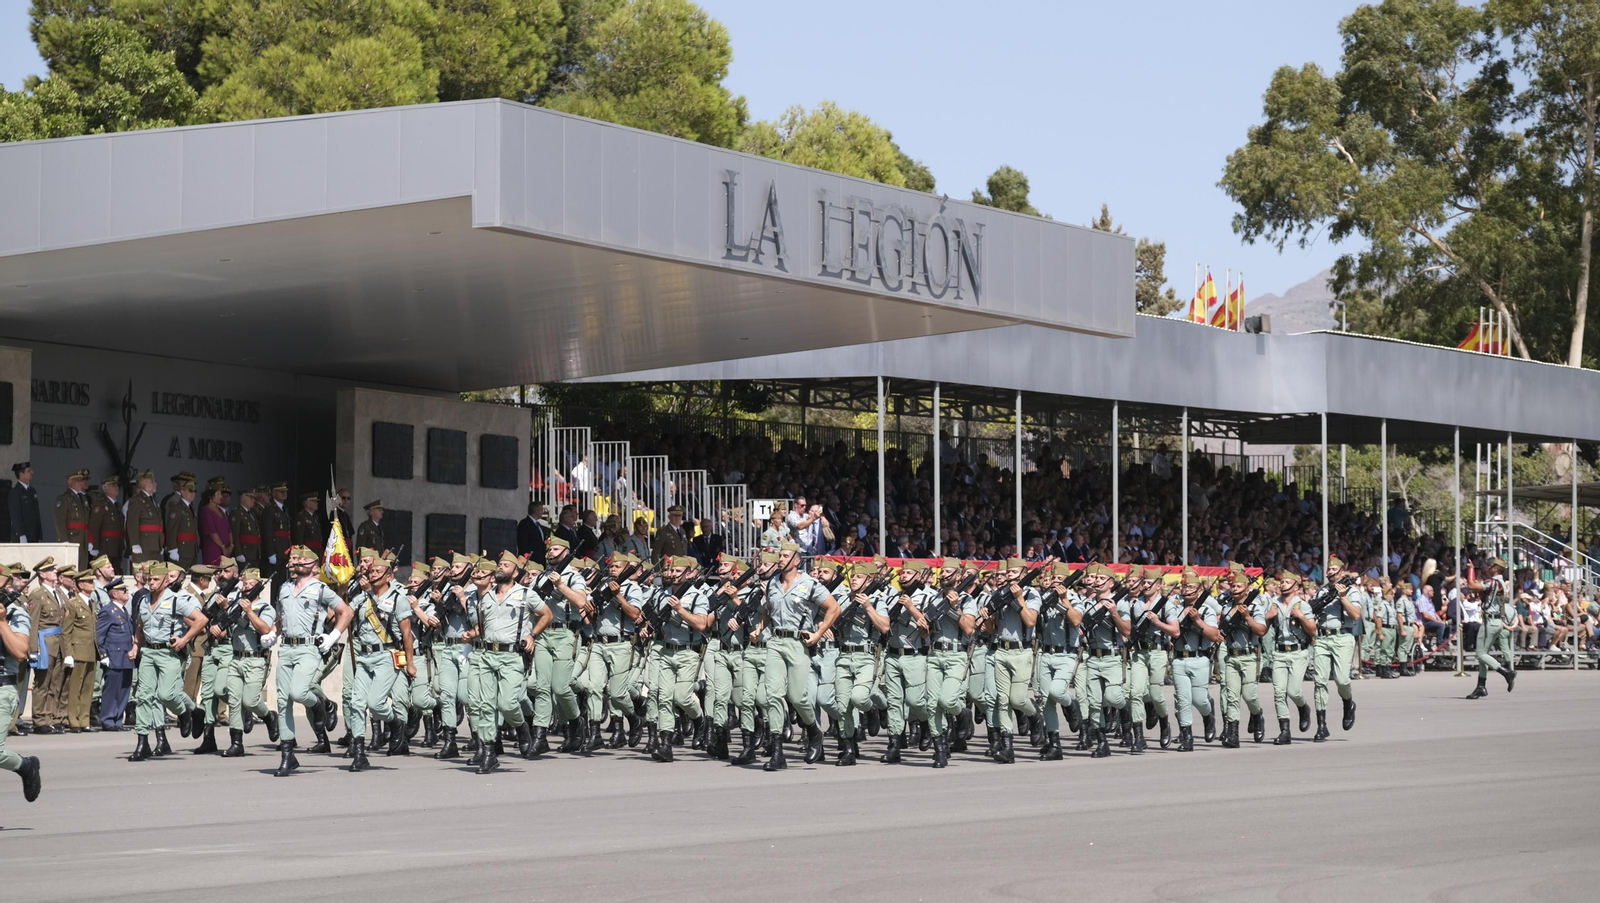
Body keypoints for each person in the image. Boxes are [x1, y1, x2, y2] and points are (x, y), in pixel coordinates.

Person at [272, 545, 352, 775]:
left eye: (303, 561)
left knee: (298, 692)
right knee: (282, 701)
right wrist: (272, 633)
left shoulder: (320, 589)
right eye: (297, 561)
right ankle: (287, 755)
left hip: (308, 648)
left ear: (314, 567)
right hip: (286, 647)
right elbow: (281, 617)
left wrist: (334, 635)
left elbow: (346, 612)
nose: (298, 563)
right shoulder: (285, 588)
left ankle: (320, 705)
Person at [758, 542, 838, 770]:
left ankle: (813, 730)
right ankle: (777, 753)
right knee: (772, 695)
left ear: (796, 560)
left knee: (797, 696)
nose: (780, 559)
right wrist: (760, 627)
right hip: (775, 642)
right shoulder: (773, 583)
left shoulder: (810, 584)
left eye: (785, 556)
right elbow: (770, 610)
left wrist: (818, 633)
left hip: (798, 643)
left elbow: (834, 608)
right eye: (780, 555)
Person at [466, 552, 548, 774]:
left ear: (516, 572)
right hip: (487, 655)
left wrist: (532, 635)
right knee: (485, 705)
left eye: (506, 565)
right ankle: (489, 753)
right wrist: (470, 634)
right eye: (500, 564)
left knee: (508, 703)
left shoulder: (526, 594)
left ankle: (521, 727)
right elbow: (483, 625)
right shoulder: (486, 597)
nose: (501, 567)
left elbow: (546, 615)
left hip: (511, 656)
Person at [128, 562, 207, 761]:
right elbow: (140, 625)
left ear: (165, 581)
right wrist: (136, 645)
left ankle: (185, 712)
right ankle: (142, 742)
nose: (151, 583)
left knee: (167, 694)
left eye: (156, 579)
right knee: (143, 696)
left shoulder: (175, 600)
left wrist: (185, 639)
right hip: (148, 652)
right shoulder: (143, 600)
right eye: (149, 579)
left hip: (168, 653)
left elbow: (201, 620)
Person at [344, 555, 416, 769]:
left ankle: (395, 723)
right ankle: (359, 753)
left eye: (377, 572)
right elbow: (345, 613)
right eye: (371, 571)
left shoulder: (398, 599)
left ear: (389, 576)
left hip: (387, 655)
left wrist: (410, 662)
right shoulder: (361, 598)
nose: (373, 574)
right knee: (357, 704)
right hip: (364, 656)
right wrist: (340, 591)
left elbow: (406, 634)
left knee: (375, 704)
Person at [643, 556, 712, 763]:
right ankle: (666, 745)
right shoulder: (662, 594)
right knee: (664, 698)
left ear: (689, 573)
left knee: (681, 697)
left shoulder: (697, 596)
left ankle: (699, 720)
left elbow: (702, 624)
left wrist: (680, 610)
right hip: (666, 651)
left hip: (688, 652)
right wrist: (647, 627)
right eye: (671, 571)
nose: (673, 574)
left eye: (678, 571)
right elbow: (652, 617)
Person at [528, 537, 591, 754]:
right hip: (543, 634)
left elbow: (581, 602)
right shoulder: (540, 577)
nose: (551, 552)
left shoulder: (574, 577)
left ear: (566, 552)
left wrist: (560, 585)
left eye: (556, 549)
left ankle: (575, 722)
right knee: (542, 686)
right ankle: (540, 735)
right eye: (549, 549)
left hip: (566, 634)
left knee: (560, 687)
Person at [978, 557, 1041, 764]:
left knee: (1018, 699)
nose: (1009, 576)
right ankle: (1007, 748)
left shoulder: (1031, 594)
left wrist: (1019, 598)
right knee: (1002, 700)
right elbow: (992, 629)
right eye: (1007, 573)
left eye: (1013, 573)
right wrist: (986, 617)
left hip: (1021, 651)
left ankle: (1034, 715)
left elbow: (1031, 621)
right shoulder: (998, 595)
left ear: (1023, 574)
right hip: (1001, 652)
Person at [877, 560, 933, 765]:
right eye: (902, 573)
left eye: (908, 573)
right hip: (893, 655)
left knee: (915, 701)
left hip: (915, 655)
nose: (903, 576)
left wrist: (911, 607)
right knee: (894, 702)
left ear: (919, 575)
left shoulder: (929, 596)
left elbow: (929, 627)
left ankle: (926, 723)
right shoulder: (892, 596)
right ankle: (894, 745)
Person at [219, 567, 279, 756]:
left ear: (258, 587)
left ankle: (269, 716)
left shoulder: (265, 608)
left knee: (250, 700)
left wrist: (249, 612)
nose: (246, 587)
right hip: (236, 657)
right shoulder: (236, 604)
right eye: (244, 584)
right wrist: (225, 610)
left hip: (254, 659)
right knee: (234, 701)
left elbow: (265, 629)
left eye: (251, 584)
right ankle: (236, 743)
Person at [924, 558, 977, 766]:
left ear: (959, 576)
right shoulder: (933, 597)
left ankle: (963, 714)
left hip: (956, 654)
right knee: (932, 704)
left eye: (948, 571)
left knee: (947, 700)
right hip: (935, 654)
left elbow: (969, 628)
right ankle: (940, 749)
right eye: (942, 571)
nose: (944, 574)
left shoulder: (966, 599)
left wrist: (955, 607)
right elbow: (926, 631)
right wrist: (922, 623)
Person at [1078, 563, 1132, 758]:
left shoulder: (1121, 603)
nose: (1098, 581)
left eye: (1102, 579)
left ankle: (1125, 710)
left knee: (1113, 697)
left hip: (1112, 657)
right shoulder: (1087, 604)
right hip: (1093, 657)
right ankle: (1102, 743)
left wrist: (1114, 612)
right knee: (1094, 703)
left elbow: (1126, 631)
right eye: (1097, 578)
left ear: (1111, 583)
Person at [0, 565, 43, 802]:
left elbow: (19, 652)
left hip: (2, 688)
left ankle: (25, 766)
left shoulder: (16, 614)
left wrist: (2, 621)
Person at [1217, 564, 1269, 747]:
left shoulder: (1255, 606)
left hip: (1249, 656)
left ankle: (1257, 715)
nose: (1235, 589)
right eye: (1233, 586)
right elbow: (1221, 630)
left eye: (1239, 586)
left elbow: (1261, 630)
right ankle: (1233, 734)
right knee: (1231, 696)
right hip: (1231, 656)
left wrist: (1247, 617)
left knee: (1249, 696)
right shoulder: (1227, 607)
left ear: (1247, 589)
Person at [1311, 557, 1362, 740]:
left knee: (1342, 679)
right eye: (1329, 569)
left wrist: (1343, 597)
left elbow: (1355, 615)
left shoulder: (1352, 590)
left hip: (1342, 637)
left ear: (1342, 571)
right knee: (1320, 681)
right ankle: (1321, 725)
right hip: (1322, 638)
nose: (1330, 572)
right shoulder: (1322, 591)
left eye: (1334, 569)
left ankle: (1348, 703)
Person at [1170, 568, 1221, 751]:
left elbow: (1214, 635)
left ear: (1199, 590)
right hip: (1178, 659)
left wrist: (1198, 620)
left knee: (1199, 700)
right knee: (1183, 700)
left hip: (1199, 659)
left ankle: (1208, 715)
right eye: (1184, 586)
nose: (1186, 590)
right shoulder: (1174, 608)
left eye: (1191, 587)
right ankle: (1187, 737)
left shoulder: (1207, 610)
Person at [1128, 566, 1176, 751]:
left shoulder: (1166, 605)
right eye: (1145, 582)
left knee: (1156, 695)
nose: (1146, 585)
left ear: (1159, 585)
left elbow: (1175, 631)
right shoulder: (1135, 604)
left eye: (1150, 583)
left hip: (1157, 652)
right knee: (1135, 693)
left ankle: (1164, 722)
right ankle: (1139, 737)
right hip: (1139, 653)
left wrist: (1157, 622)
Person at [1266, 571, 1316, 744]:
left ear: (1296, 586)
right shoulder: (1274, 604)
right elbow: (1263, 628)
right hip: (1279, 652)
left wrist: (1301, 616)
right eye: (1282, 582)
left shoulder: (1303, 605)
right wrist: (1267, 617)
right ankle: (1285, 731)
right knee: (1279, 692)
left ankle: (1303, 707)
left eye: (1287, 582)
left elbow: (1312, 630)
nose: (1283, 585)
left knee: (1293, 691)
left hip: (1298, 652)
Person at [25, 557, 70, 734]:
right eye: (51, 570)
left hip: (58, 641)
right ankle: (39, 720)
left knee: (55, 682)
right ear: (42, 575)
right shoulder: (37, 594)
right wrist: (33, 649)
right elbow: (33, 623)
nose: (55, 572)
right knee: (42, 682)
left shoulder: (57, 593)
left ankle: (50, 718)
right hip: (45, 642)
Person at [1466, 558, 1517, 699]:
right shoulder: (1501, 582)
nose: (1488, 568)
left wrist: (1470, 569)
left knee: (1480, 654)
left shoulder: (1493, 582)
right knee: (1484, 655)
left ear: (1495, 568)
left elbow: (1471, 585)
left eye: (1491, 566)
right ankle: (1481, 686)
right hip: (1497, 621)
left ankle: (1506, 673)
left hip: (1490, 621)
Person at [96, 577, 137, 729]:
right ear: (114, 594)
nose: (127, 592)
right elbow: (99, 635)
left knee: (124, 689)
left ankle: (118, 720)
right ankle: (108, 720)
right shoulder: (108, 611)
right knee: (112, 690)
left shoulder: (123, 610)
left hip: (126, 656)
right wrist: (103, 655)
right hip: (114, 656)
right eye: (123, 590)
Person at [61, 568, 99, 732]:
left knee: (88, 688)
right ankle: (73, 720)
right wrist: (68, 653)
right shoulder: (73, 603)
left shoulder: (93, 603)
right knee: (75, 687)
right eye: (89, 581)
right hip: (78, 651)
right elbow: (67, 631)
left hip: (91, 651)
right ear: (81, 585)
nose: (92, 584)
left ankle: (84, 719)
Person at [54, 469, 94, 569]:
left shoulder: (83, 498)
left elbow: (87, 521)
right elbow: (60, 521)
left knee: (82, 567)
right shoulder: (64, 498)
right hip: (72, 538)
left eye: (81, 480)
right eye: (78, 480)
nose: (81, 483)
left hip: (83, 539)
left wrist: (89, 539)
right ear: (70, 481)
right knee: (72, 567)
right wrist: (63, 540)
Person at [127, 471, 165, 566]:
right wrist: (135, 543)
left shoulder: (153, 500)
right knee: (143, 573)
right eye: (152, 481)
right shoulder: (137, 500)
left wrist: (160, 544)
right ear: (143, 482)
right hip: (143, 546)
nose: (155, 484)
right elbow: (132, 523)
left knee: (156, 573)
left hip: (155, 546)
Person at [89, 476, 127, 567]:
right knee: (104, 570)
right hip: (105, 547)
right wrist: (94, 546)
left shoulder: (117, 506)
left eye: (117, 485)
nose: (116, 488)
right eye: (113, 485)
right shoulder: (100, 504)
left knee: (115, 571)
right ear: (105, 488)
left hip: (117, 546)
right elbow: (94, 525)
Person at [165, 479, 200, 569]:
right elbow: (171, 529)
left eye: (195, 491)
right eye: (190, 491)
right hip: (181, 551)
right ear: (182, 491)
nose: (193, 493)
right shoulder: (177, 508)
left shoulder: (191, 508)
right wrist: (172, 549)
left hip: (192, 550)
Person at [261, 483, 293, 577]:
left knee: (283, 579)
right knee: (274, 580)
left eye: (285, 491)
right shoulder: (270, 510)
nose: (284, 493)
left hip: (284, 552)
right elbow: (267, 533)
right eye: (281, 491)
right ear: (273, 493)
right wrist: (270, 553)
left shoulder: (284, 510)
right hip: (275, 552)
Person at [8, 461, 43, 543]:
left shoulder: (32, 491)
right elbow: (15, 516)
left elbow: (36, 514)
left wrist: (39, 534)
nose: (32, 473)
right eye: (29, 471)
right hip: (23, 535)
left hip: (33, 535)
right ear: (21, 474)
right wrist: (21, 534)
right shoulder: (15, 492)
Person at [199, 487, 232, 567]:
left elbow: (229, 530)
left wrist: (231, 545)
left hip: (226, 550)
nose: (221, 496)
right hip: (214, 549)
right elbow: (212, 532)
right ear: (210, 497)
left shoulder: (221, 511)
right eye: (218, 494)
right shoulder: (206, 511)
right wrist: (223, 547)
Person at [291, 492, 324, 557]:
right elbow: (298, 538)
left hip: (317, 552)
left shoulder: (315, 517)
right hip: (307, 553)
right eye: (314, 501)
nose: (317, 503)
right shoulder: (301, 517)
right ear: (308, 503)